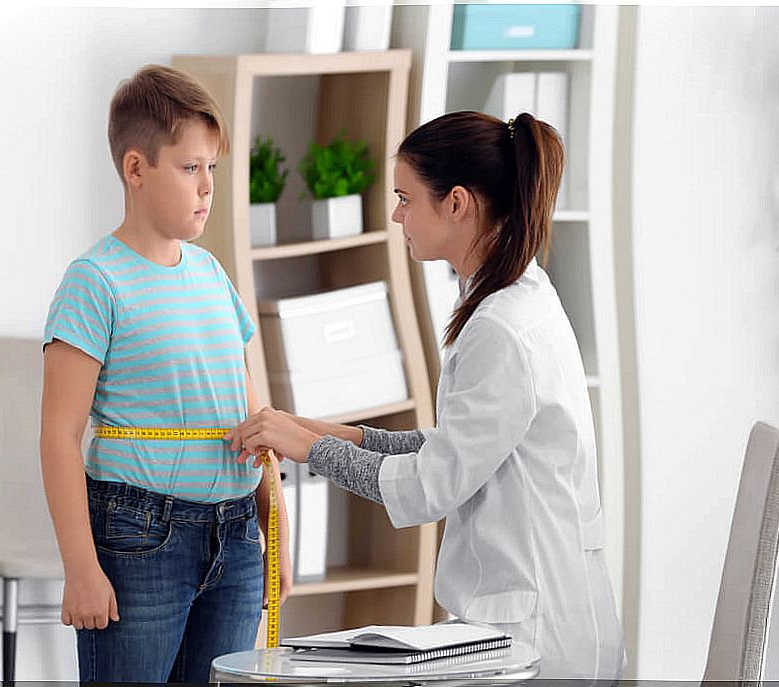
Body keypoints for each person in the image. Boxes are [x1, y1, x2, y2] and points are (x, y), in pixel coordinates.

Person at [227, 111, 626, 679]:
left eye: (405, 197)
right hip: (533, 617)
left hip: (536, 637)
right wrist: (319, 431)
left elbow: (432, 484)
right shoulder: (516, 298)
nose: (395, 214)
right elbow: (448, 446)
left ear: (457, 202)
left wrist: (307, 450)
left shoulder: (501, 329)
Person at [39, 64, 291, 683]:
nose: (207, 187)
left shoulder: (211, 274)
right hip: (139, 535)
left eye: (212, 168)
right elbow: (58, 435)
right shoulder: (95, 281)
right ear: (135, 169)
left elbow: (249, 415)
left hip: (235, 538)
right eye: (189, 168)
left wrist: (274, 523)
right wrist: (80, 566)